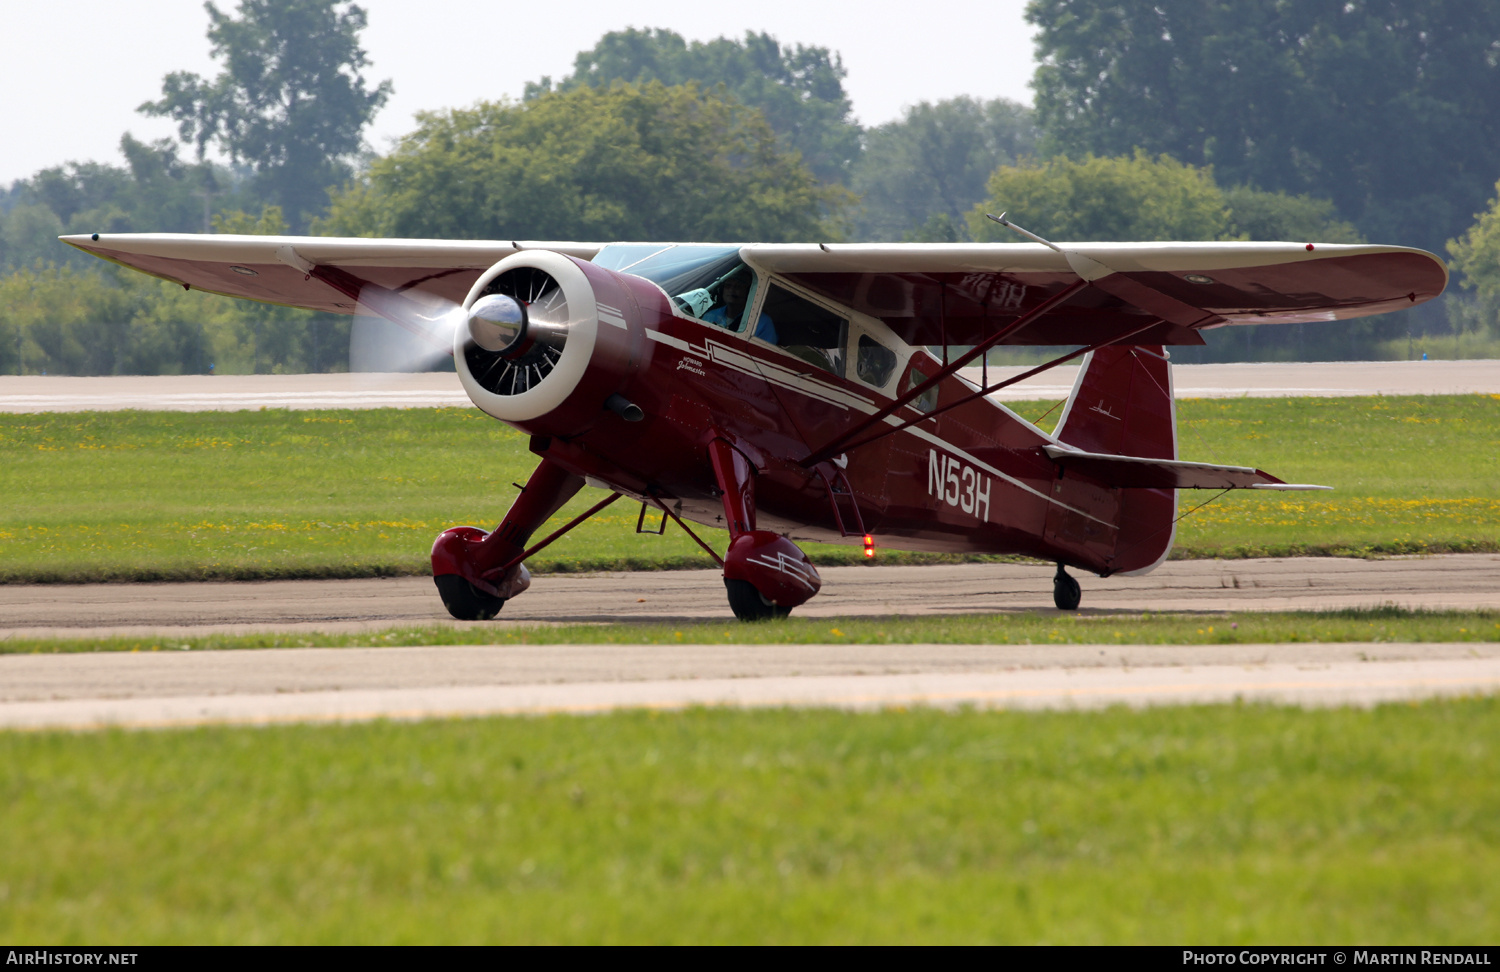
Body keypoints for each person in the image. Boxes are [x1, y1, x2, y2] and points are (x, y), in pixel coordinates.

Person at [702, 273, 777, 344]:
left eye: (738, 286)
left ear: (748, 292)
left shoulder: (763, 323)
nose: (732, 290)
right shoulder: (710, 316)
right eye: (728, 286)